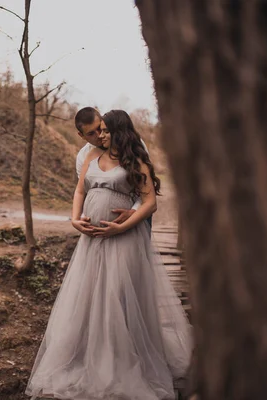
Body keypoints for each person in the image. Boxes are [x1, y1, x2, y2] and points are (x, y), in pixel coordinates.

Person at [25, 109, 192, 400]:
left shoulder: (134, 157)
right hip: (91, 242)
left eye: (104, 129)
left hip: (123, 237)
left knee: (119, 295)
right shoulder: (88, 157)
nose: (101, 135)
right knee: (90, 295)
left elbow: (149, 202)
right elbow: (80, 191)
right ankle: (90, 353)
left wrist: (123, 224)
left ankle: (122, 357)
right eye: (97, 131)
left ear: (118, 130)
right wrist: (75, 220)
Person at [74, 107, 152, 234]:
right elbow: (85, 190)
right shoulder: (84, 156)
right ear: (81, 135)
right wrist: (81, 217)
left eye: (100, 128)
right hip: (99, 228)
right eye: (91, 133)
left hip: (136, 217)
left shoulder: (134, 146)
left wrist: (133, 211)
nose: (99, 135)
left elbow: (146, 187)